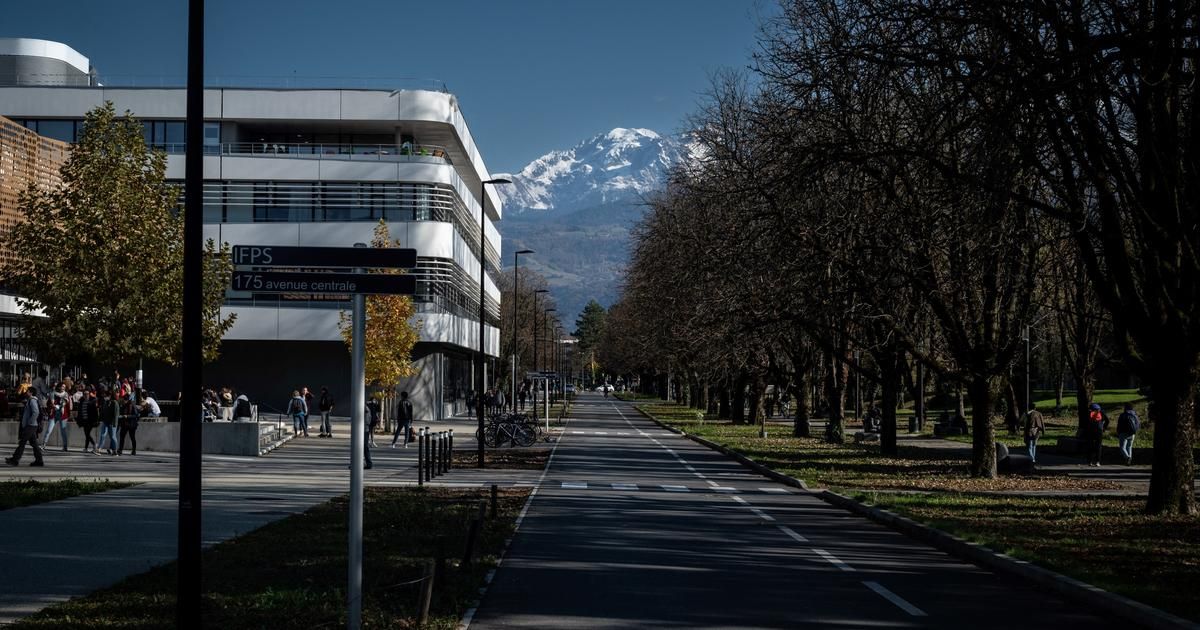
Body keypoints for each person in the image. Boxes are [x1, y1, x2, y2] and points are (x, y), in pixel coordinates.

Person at [6, 388, 44, 467]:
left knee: (22, 442)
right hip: (32, 425)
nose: (26, 392)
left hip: (31, 426)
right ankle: (39, 461)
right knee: (34, 444)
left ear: (31, 392)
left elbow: (36, 412)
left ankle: (15, 460)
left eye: (27, 391)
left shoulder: (32, 400)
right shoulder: (30, 400)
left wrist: (30, 422)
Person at [42, 382, 71, 451]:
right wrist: (53, 406)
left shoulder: (66, 394)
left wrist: (60, 405)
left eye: (64, 387)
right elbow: (49, 403)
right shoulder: (53, 393)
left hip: (63, 414)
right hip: (54, 414)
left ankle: (65, 446)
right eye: (62, 386)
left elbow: (66, 403)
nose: (63, 388)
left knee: (63, 431)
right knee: (49, 430)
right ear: (59, 387)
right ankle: (43, 445)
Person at [98, 389, 120, 455]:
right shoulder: (106, 402)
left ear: (110, 395)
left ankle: (115, 450)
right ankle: (99, 449)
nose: (105, 397)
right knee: (103, 435)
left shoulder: (115, 403)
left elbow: (116, 415)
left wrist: (114, 424)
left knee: (113, 437)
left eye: (106, 395)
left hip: (112, 423)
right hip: (105, 421)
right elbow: (103, 412)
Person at [77, 385, 99, 453]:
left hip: (90, 420)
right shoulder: (81, 401)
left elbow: (95, 411)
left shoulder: (93, 401)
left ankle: (94, 444)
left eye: (87, 394)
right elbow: (80, 411)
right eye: (84, 394)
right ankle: (86, 448)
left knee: (87, 433)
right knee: (86, 434)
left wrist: (96, 420)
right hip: (84, 420)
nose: (86, 395)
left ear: (89, 394)